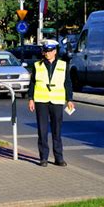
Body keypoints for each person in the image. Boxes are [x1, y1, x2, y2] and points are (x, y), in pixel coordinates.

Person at [28, 39, 75, 167]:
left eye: (49, 51)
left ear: (55, 51)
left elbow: (67, 83)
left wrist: (69, 99)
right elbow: (32, 82)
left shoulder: (63, 65)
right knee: (42, 131)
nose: (46, 53)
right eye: (45, 51)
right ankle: (43, 158)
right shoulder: (38, 65)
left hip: (57, 101)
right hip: (41, 101)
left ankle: (58, 158)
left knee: (57, 131)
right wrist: (31, 98)